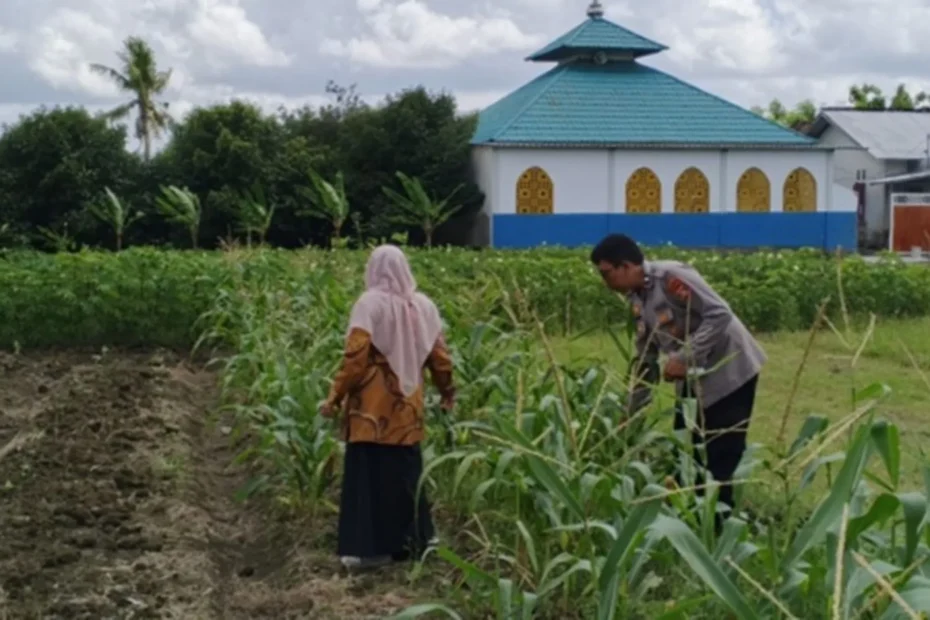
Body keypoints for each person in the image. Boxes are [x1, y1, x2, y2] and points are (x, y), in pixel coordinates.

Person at [590, 233, 766, 522]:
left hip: (729, 370)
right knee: (687, 450)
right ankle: (694, 518)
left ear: (626, 266)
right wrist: (631, 412)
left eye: (606, 274)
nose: (605, 282)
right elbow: (647, 357)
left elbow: (720, 313)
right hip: (692, 380)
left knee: (722, 451)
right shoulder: (637, 299)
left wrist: (685, 357)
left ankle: (720, 527)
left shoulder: (671, 276)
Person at [320, 245, 455, 570]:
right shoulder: (423, 306)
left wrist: (334, 398)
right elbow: (440, 358)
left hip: (371, 411)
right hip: (408, 410)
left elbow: (355, 359)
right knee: (407, 474)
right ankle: (415, 543)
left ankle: (368, 551)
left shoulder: (369, 304)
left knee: (369, 475)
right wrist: (447, 392)